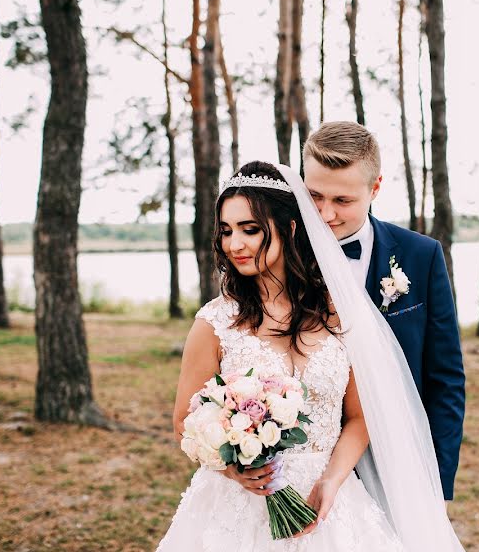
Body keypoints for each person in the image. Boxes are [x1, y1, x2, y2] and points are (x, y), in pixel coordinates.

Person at [157, 161, 462, 551]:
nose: (235, 244)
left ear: (290, 228)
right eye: (226, 231)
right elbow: (185, 421)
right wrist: (236, 470)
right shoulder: (214, 323)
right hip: (239, 509)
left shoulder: (339, 314)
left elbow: (360, 415)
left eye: (250, 230)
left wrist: (332, 480)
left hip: (333, 500)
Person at [302, 121, 465, 501]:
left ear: (375, 188)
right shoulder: (281, 256)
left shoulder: (421, 257)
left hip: (399, 463)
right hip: (310, 465)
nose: (325, 215)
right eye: (315, 196)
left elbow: (445, 379)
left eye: (343, 201)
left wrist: (436, 485)